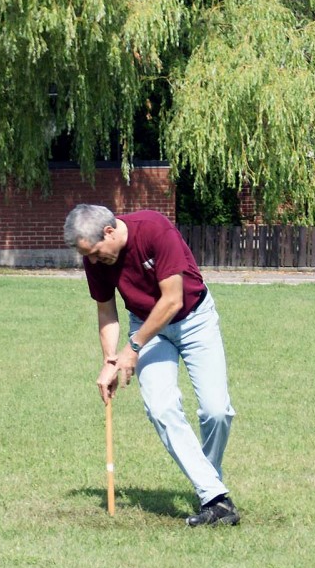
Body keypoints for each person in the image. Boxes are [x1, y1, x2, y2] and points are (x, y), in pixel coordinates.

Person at [64, 204, 239, 527]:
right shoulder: (97, 259)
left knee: (216, 411)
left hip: (194, 319)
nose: (92, 261)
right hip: (145, 326)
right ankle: (215, 497)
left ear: (110, 231)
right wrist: (110, 361)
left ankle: (210, 484)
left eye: (95, 252)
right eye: (86, 256)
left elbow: (172, 300)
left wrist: (132, 348)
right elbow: (106, 312)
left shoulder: (154, 229)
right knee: (161, 407)